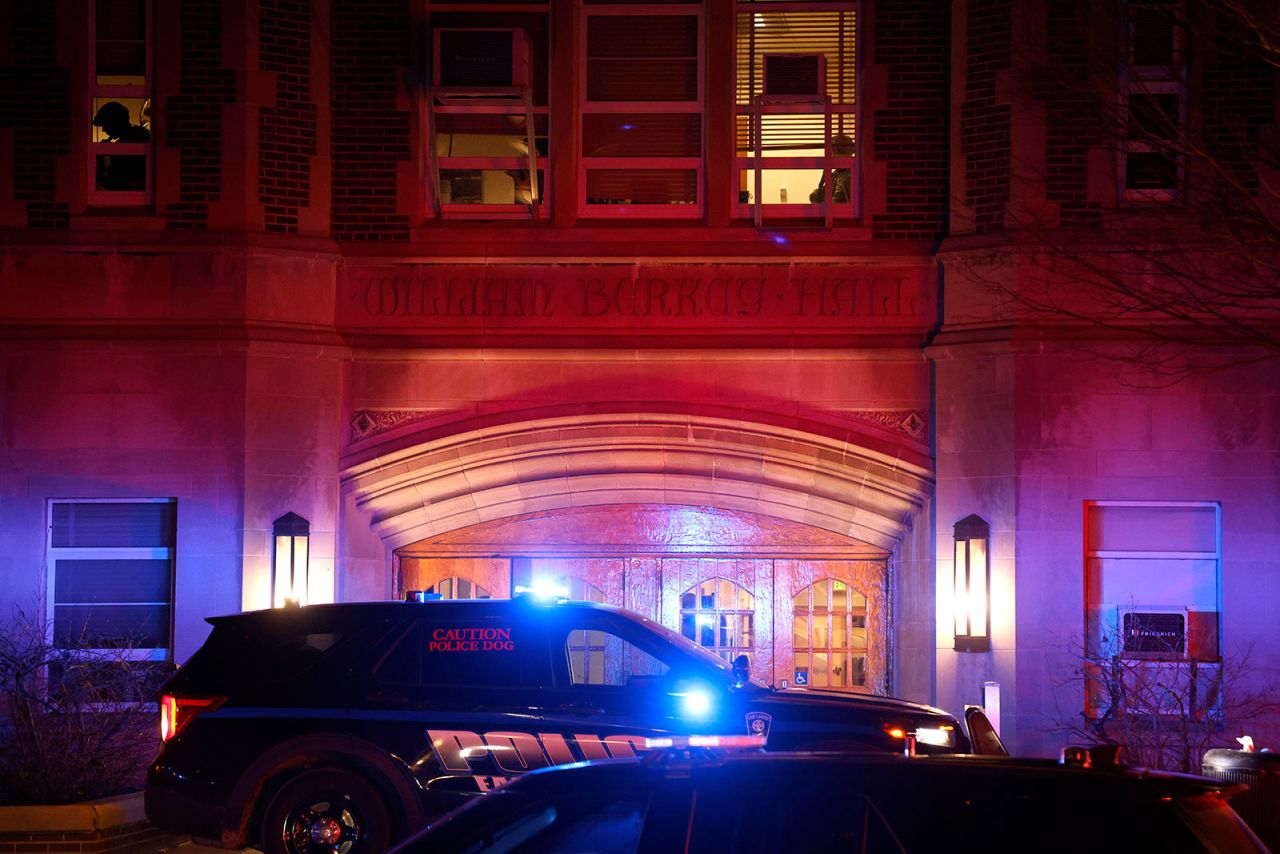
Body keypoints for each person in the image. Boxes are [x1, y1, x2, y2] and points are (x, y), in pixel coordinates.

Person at [92, 101, 150, 191]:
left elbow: (117, 180)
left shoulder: (134, 139)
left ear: (114, 123)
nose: (103, 130)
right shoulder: (137, 136)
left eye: (105, 125)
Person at [810, 134, 854, 204]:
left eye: (833, 151)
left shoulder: (850, 176)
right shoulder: (835, 174)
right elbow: (825, 192)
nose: (831, 155)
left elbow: (836, 202)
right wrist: (817, 192)